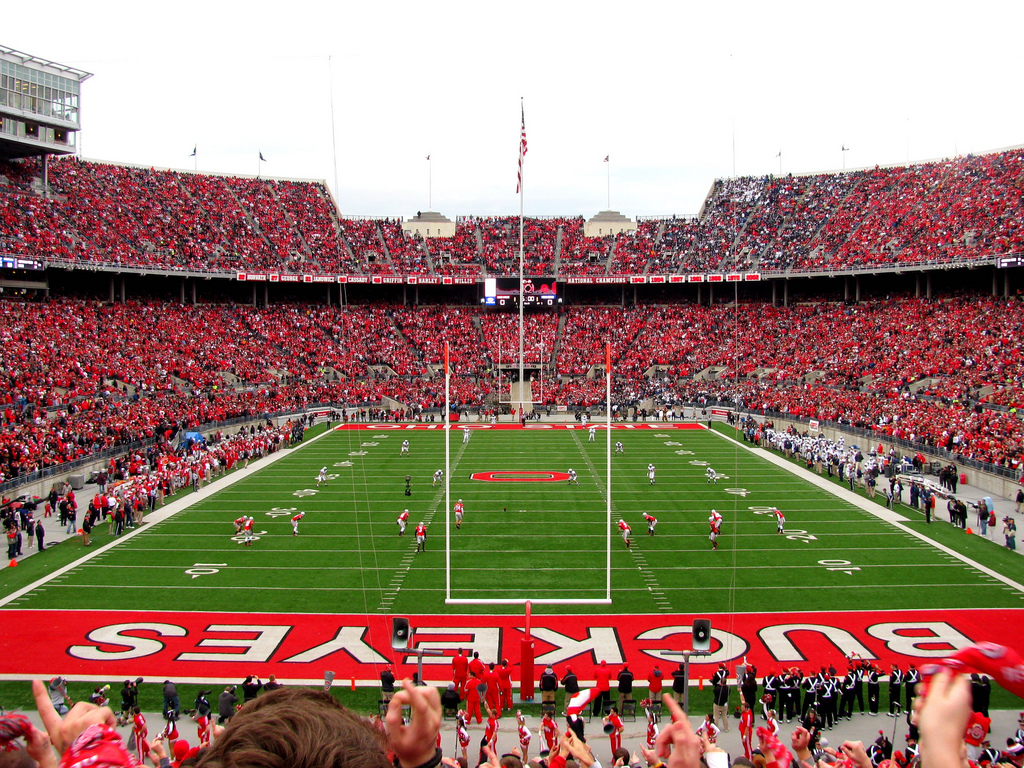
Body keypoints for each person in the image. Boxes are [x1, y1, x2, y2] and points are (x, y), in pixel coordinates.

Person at [711, 663, 730, 733]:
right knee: (724, 716)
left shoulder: (717, 674)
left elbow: (714, 682)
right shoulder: (728, 689)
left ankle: (715, 728)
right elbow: (728, 672)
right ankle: (726, 728)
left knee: (716, 717)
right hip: (724, 703)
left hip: (717, 702)